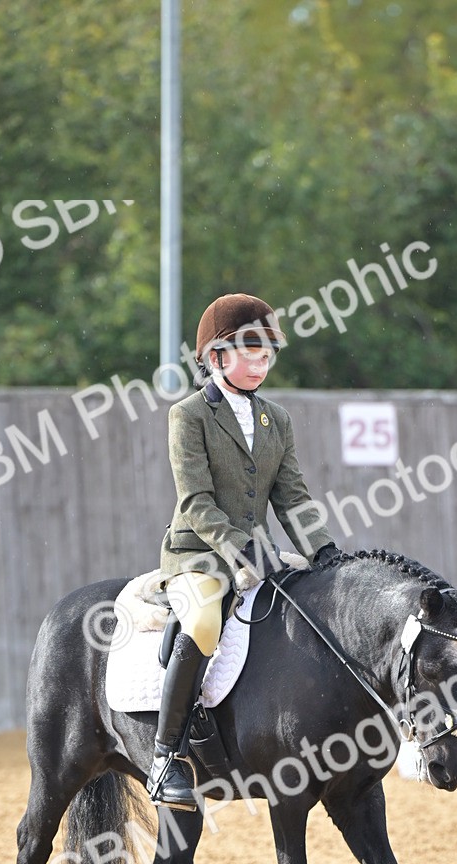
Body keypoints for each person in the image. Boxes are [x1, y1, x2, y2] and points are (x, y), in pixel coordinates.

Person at [148, 292, 340, 811]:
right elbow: (196, 501)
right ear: (216, 358)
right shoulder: (188, 415)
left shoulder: (275, 418)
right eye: (249, 351)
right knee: (206, 621)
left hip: (261, 557)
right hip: (198, 555)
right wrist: (238, 551)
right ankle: (166, 755)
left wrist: (324, 552)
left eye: (266, 353)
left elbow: (293, 496)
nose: (260, 363)